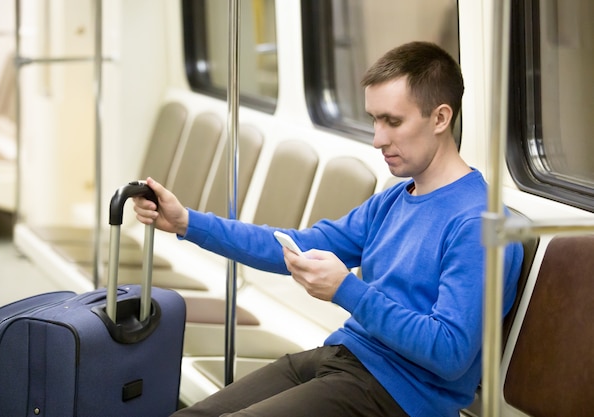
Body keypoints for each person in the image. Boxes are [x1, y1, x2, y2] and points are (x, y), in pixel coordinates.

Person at [133, 41, 524, 417]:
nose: (378, 139)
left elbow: (449, 353)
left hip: (400, 395)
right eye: (374, 120)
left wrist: (346, 290)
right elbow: (294, 246)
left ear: (440, 118)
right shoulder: (393, 198)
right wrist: (187, 222)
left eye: (393, 122)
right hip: (343, 357)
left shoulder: (479, 225)